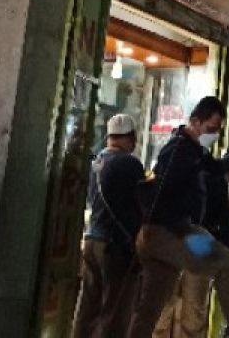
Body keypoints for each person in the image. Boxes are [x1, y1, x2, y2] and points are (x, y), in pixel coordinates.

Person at [131, 96, 229, 338]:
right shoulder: (178, 150)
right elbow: (159, 192)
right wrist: (187, 234)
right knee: (227, 263)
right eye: (211, 129)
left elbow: (216, 168)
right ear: (195, 122)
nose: (214, 135)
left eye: (218, 130)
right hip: (168, 234)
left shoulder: (192, 150)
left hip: (160, 235)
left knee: (150, 307)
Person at [154, 123, 229, 338]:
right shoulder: (173, 168)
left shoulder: (204, 169)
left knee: (191, 310)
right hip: (179, 246)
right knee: (169, 308)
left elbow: (222, 213)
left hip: (198, 248)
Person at [72, 113, 148, 338]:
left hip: (92, 241)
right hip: (115, 247)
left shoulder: (96, 161)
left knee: (88, 308)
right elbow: (142, 203)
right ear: (130, 138)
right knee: (114, 311)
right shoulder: (129, 163)